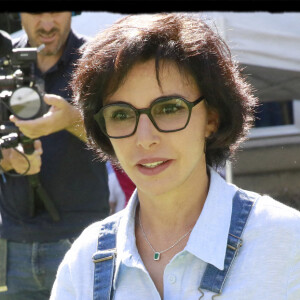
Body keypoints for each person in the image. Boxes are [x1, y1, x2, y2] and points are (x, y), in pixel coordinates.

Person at [50, 13, 300, 300]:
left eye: (168, 109)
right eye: (121, 114)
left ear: (212, 118)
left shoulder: (285, 242)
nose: (144, 139)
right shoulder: (84, 262)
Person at [0, 12, 110, 299]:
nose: (47, 24)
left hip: (81, 240)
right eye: (36, 12)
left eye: (56, 11)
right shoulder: (2, 58)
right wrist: (6, 157)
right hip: (11, 244)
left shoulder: (98, 59)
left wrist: (71, 120)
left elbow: (124, 138)